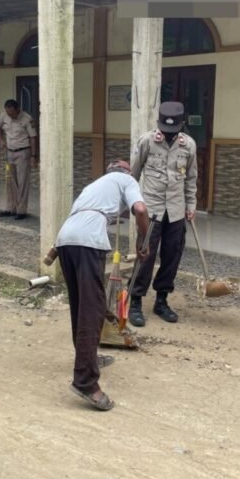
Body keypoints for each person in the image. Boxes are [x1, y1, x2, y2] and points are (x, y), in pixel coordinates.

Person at [55, 160, 150, 411]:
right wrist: (142, 241)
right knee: (93, 308)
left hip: (64, 240)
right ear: (127, 173)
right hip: (88, 241)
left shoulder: (93, 187)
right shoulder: (126, 180)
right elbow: (140, 210)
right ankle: (85, 382)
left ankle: (88, 357)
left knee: (80, 304)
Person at [128, 101, 198, 326]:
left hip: (176, 211)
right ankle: (135, 301)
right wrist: (132, 203)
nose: (168, 134)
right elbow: (134, 174)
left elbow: (191, 178)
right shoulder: (147, 141)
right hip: (151, 209)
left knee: (172, 256)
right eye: (165, 129)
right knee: (144, 255)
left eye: (173, 130)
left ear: (181, 125)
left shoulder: (189, 145)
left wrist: (191, 205)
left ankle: (161, 300)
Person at [0, 99, 37, 220]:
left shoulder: (26, 119)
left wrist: (33, 156)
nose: (10, 116)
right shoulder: (4, 116)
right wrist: (1, 140)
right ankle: (10, 208)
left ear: (18, 109)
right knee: (10, 181)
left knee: (22, 182)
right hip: (10, 152)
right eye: (8, 113)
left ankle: (21, 210)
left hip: (23, 153)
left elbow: (33, 137)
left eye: (12, 113)